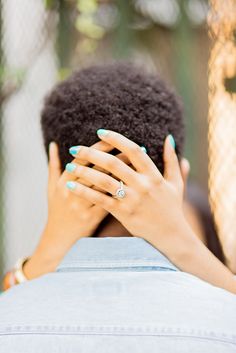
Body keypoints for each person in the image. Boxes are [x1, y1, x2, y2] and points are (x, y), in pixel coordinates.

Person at [0, 63, 236, 352]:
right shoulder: (225, 324)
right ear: (180, 178)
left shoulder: (9, 322)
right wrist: (184, 245)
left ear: (55, 179)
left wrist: (46, 254)